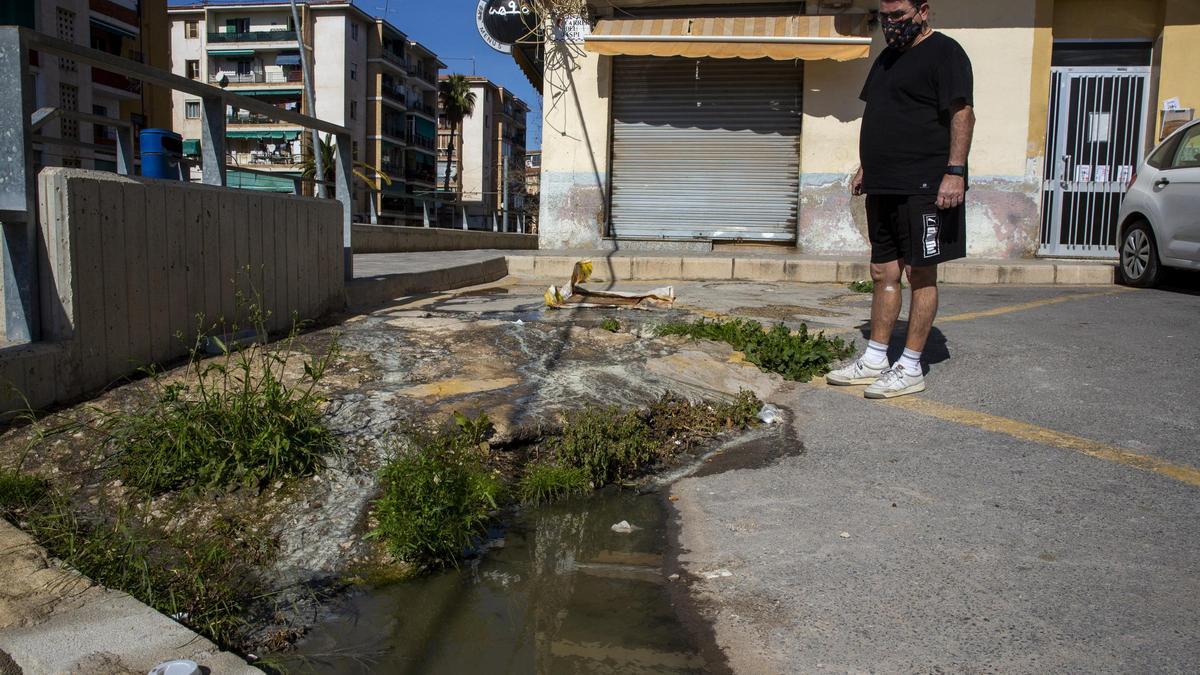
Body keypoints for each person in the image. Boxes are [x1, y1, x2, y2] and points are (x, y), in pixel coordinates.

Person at [827, 0, 975, 399]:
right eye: (884, 17)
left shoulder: (945, 52)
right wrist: (865, 167)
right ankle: (875, 357)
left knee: (920, 273)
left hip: (925, 184)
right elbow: (880, 114)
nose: (890, 25)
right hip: (884, 183)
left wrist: (955, 172)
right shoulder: (887, 59)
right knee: (882, 273)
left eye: (898, 17)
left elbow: (963, 114)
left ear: (922, 11)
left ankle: (910, 366)